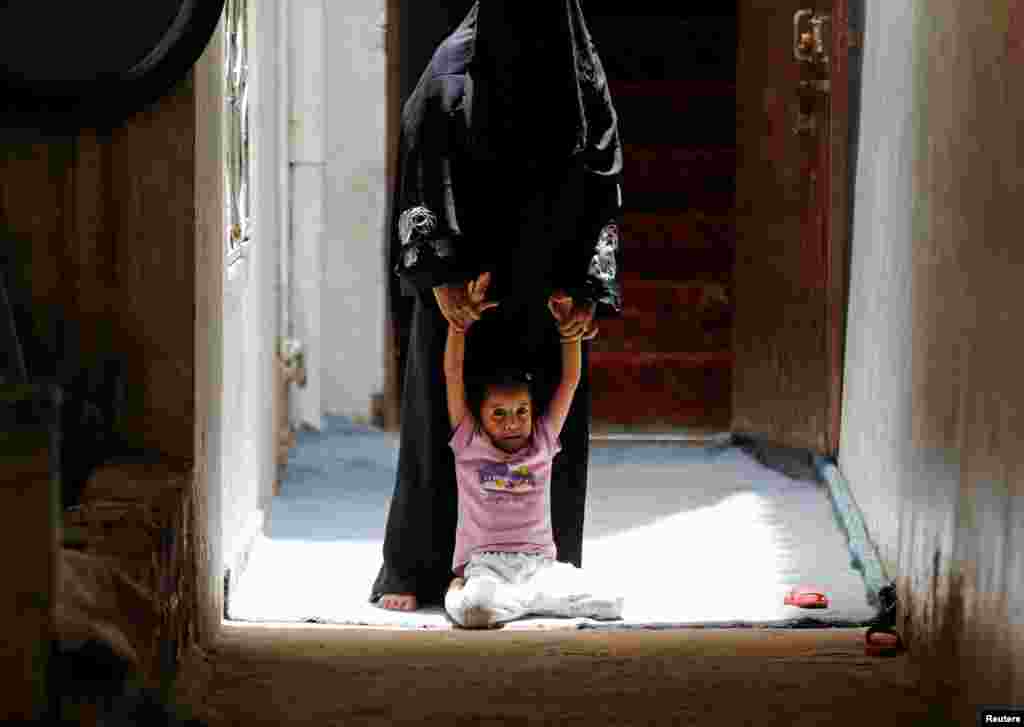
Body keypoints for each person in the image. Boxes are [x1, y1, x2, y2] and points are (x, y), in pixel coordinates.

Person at [372, 0, 624, 612]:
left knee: (543, 432)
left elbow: (605, 180)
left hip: (549, 292)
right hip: (468, 290)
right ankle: (418, 566)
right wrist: (439, 278)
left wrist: (590, 292)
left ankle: (540, 564)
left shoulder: (581, 77)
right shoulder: (451, 74)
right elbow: (422, 168)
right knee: (445, 421)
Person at [442, 273, 624, 628]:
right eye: (499, 414)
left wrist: (568, 329)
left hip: (540, 564)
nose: (512, 423)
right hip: (486, 565)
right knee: (474, 613)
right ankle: (470, 591)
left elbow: (570, 380)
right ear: (479, 416)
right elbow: (453, 373)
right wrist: (458, 326)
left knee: (611, 604)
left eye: (521, 412)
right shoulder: (469, 443)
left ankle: (519, 602)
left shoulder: (542, 439)